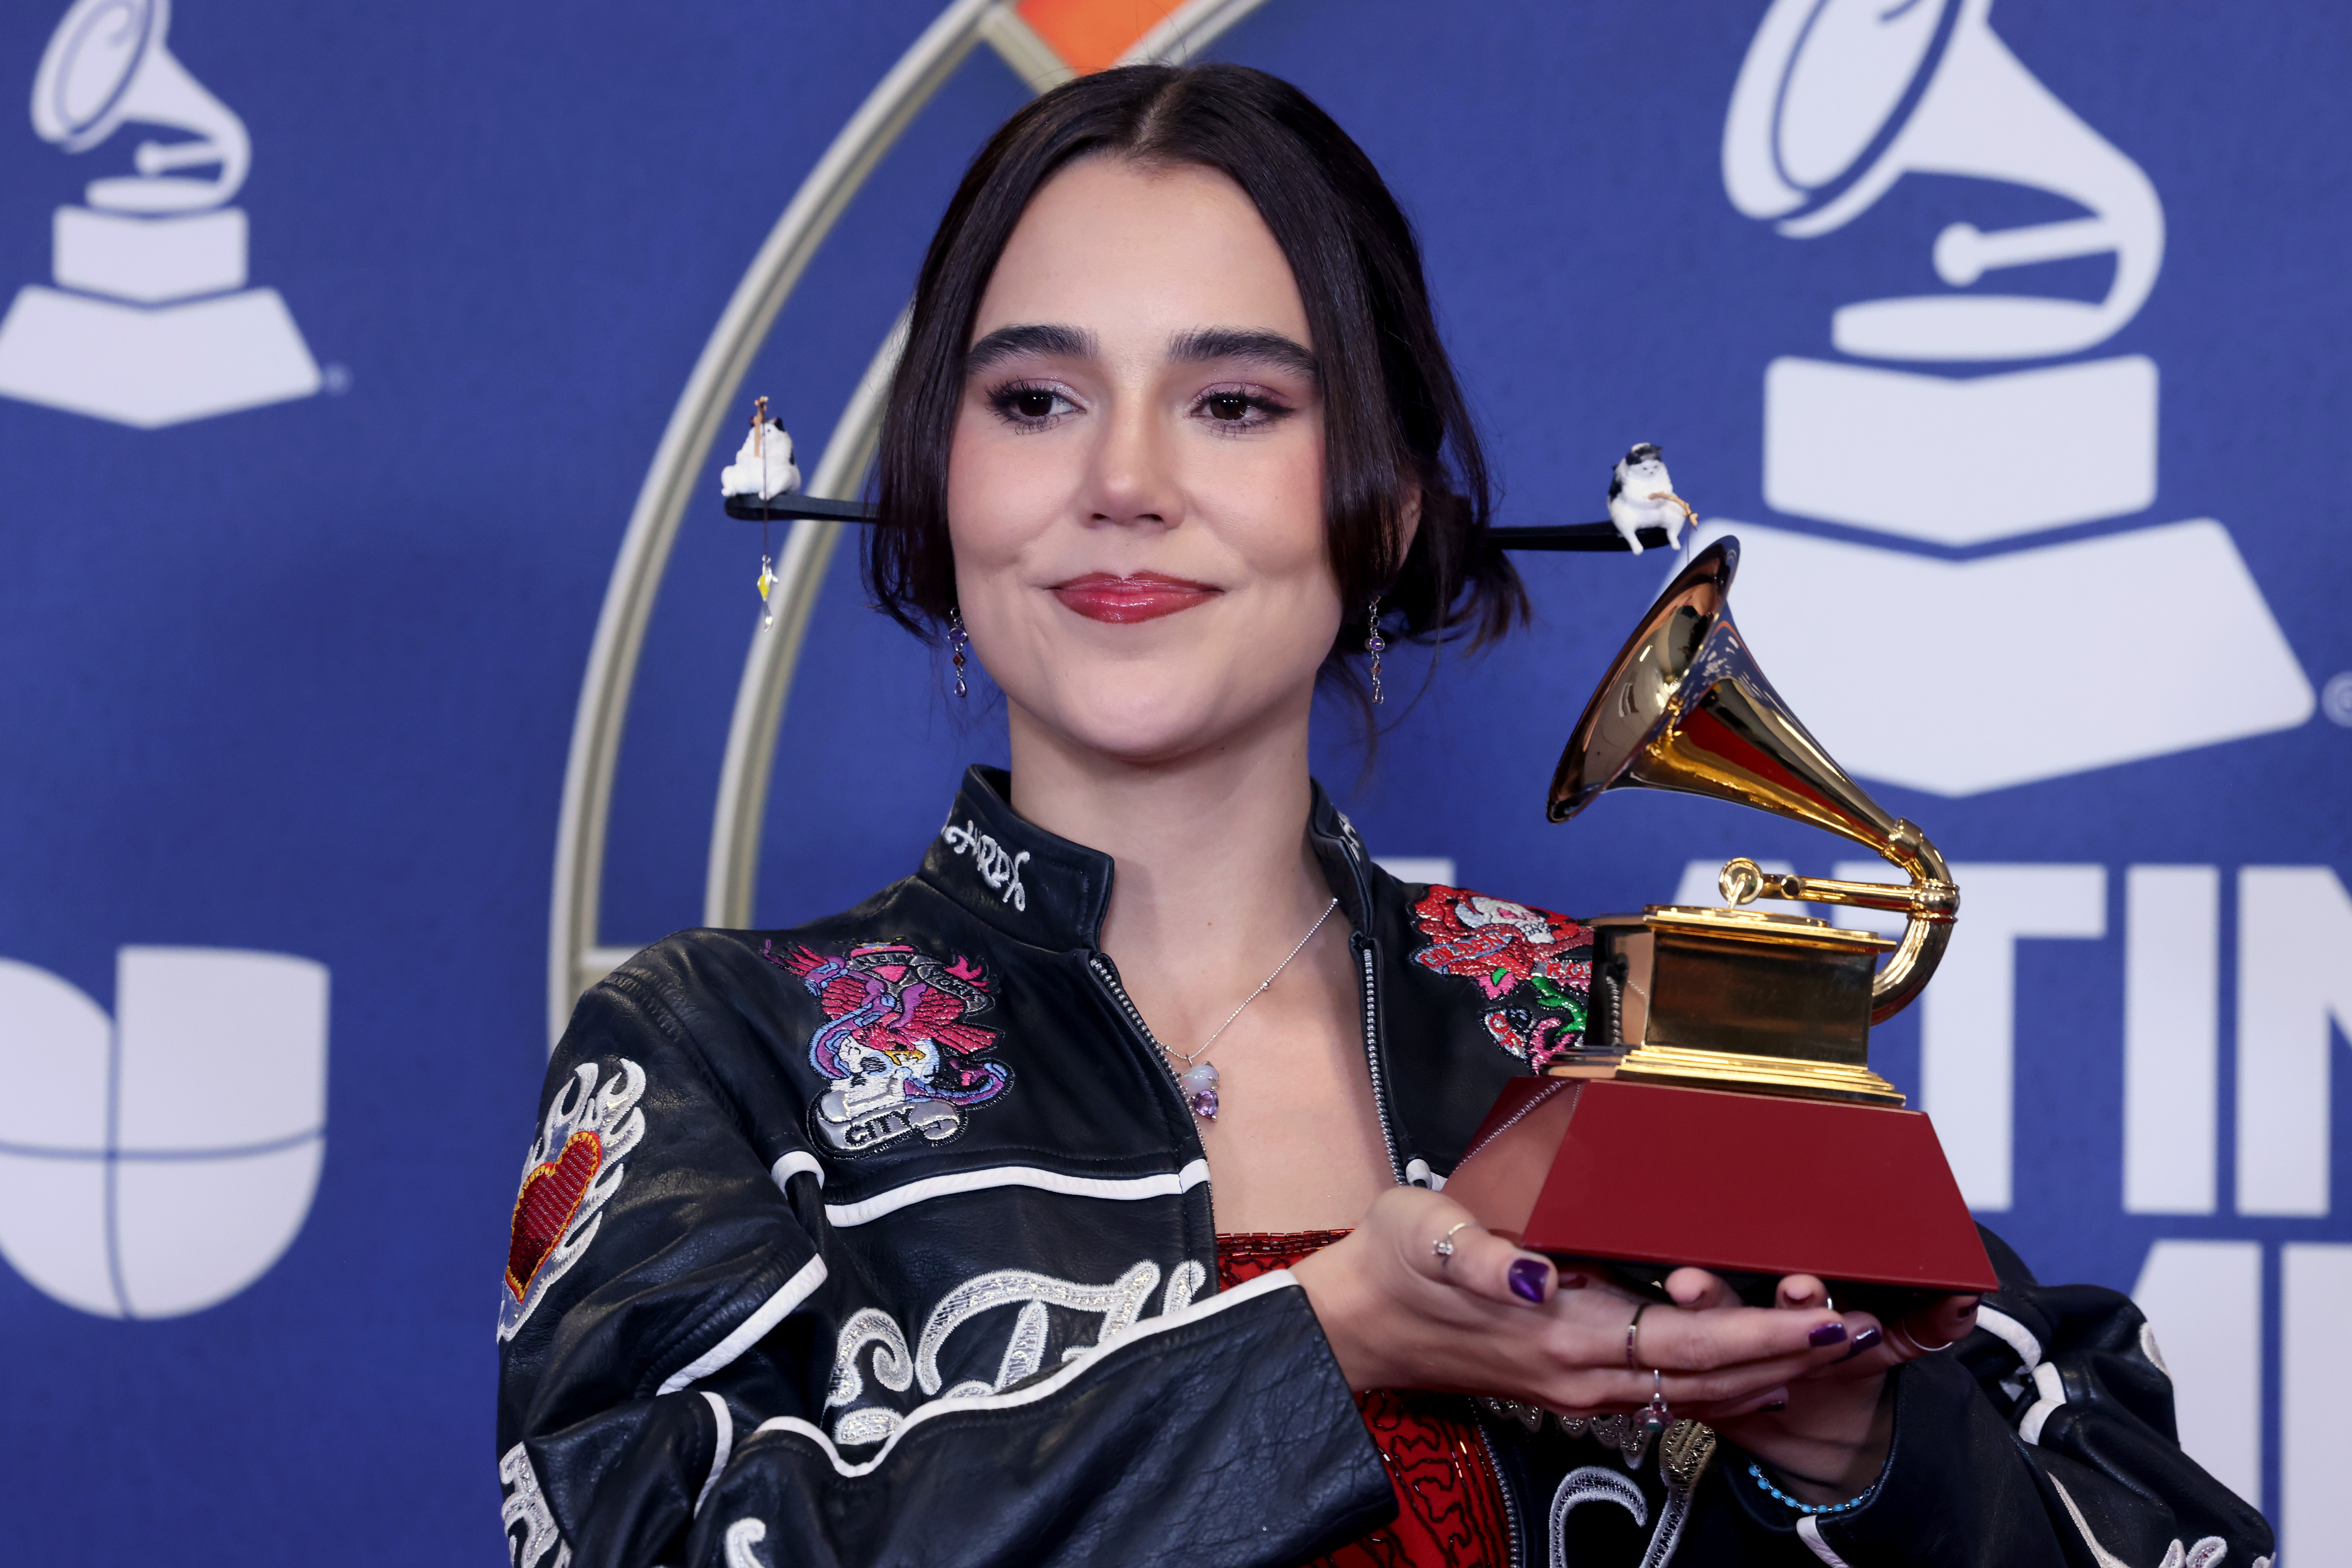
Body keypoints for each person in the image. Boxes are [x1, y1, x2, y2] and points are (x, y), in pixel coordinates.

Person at [495, 63, 2272, 1568]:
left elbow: (2155, 1522)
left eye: (1235, 403)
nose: (1123, 483)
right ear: (940, 482)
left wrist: (1847, 1432)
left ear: (1394, 504)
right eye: (1035, 398)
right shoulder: (720, 1052)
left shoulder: (1609, 1032)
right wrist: (1321, 1343)